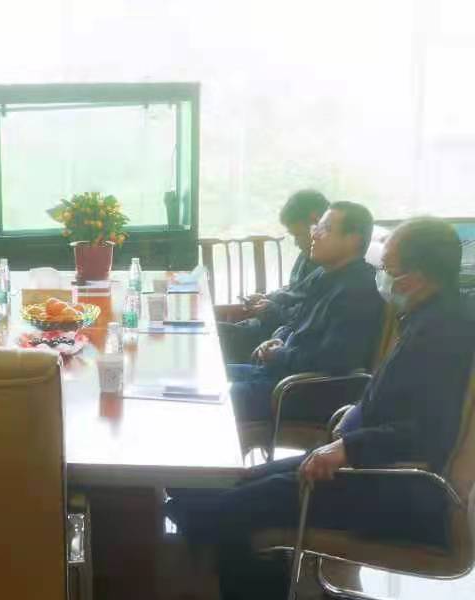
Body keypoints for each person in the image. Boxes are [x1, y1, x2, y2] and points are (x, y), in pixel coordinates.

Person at [166, 217, 475, 600]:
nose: (379, 275)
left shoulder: (444, 336)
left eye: (386, 267)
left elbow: (428, 433)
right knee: (228, 485)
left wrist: (347, 447)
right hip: (372, 465)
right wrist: (354, 420)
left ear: (415, 278)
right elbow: (397, 400)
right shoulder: (428, 317)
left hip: (404, 489)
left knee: (224, 509)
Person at [227, 201, 384, 423]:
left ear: (354, 240)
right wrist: (279, 338)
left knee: (212, 397)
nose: (315, 235)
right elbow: (297, 321)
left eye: (325, 229)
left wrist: (279, 355)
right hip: (279, 376)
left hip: (301, 392)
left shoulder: (357, 291)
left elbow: (334, 361)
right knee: (206, 377)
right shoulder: (324, 274)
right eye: (316, 228)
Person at [218, 189, 329, 363]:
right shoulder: (307, 256)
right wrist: (268, 298)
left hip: (277, 339)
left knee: (216, 338)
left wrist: (272, 310)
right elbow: (294, 290)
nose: (296, 242)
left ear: (316, 221)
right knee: (215, 331)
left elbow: (303, 318)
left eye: (298, 235)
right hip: (273, 330)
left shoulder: (330, 271)